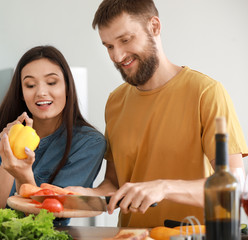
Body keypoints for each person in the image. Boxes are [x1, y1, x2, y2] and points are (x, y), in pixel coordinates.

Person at [67, 0, 248, 227]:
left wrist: (164, 187)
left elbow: (233, 186)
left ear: (154, 27)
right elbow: (114, 184)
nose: (117, 56)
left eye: (125, 40)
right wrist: (81, 196)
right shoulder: (115, 101)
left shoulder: (206, 93)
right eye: (109, 46)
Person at [0, 45, 106, 226]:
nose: (41, 92)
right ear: (21, 93)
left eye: (52, 82)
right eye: (30, 85)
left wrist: (24, 176)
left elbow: (51, 220)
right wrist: (10, 158)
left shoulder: (88, 143)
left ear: (68, 87)